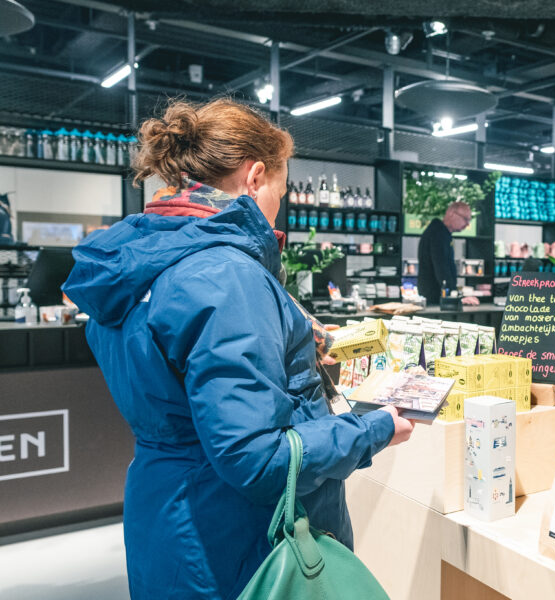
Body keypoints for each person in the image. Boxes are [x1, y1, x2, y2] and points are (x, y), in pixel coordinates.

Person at [62, 98, 414, 600]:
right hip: (237, 543)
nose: (280, 204)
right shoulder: (225, 274)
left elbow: (175, 374)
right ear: (254, 178)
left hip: (168, 518)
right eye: (281, 189)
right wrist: (373, 429)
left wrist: (290, 344)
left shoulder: (136, 260)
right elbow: (256, 458)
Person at [417, 200, 479, 305]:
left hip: (436, 297)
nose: (467, 224)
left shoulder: (441, 233)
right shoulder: (438, 234)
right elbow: (441, 268)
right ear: (452, 214)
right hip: (436, 300)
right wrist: (453, 297)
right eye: (465, 219)